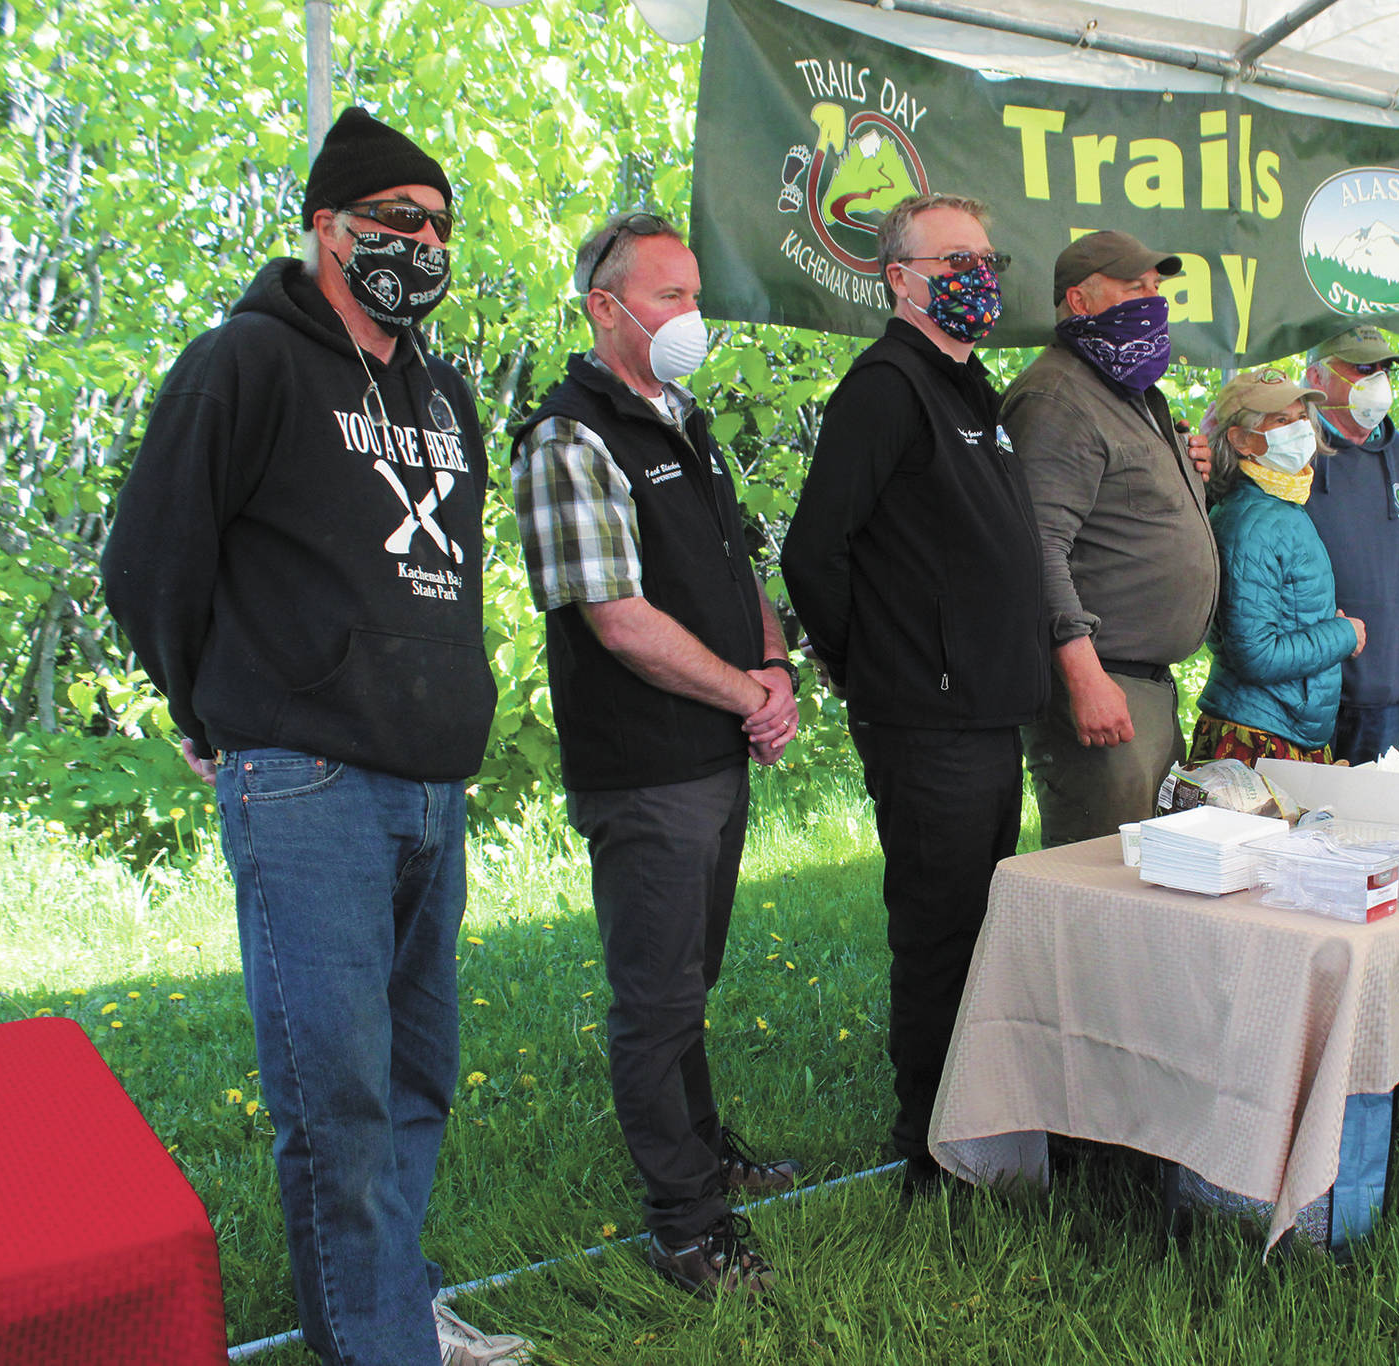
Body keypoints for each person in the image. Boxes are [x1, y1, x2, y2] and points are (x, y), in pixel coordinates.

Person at [101, 107, 530, 1365]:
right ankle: (378, 1347)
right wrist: (213, 711)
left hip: (429, 785)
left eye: (439, 222)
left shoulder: (443, 389)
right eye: (396, 219)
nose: (422, 241)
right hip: (308, 784)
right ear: (325, 228)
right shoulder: (243, 362)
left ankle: (394, 1308)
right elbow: (148, 560)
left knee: (412, 1084)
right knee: (333, 1101)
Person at [509, 211, 800, 1300]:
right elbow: (617, 619)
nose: (690, 316)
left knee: (691, 979)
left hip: (714, 750)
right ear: (605, 307)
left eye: (692, 293)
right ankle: (685, 1222)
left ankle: (705, 1144)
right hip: (647, 766)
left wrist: (773, 679)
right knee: (656, 996)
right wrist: (745, 697)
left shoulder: (682, 418)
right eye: (669, 296)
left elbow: (739, 574)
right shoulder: (570, 437)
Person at [782, 193, 1048, 1198]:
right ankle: (928, 1149)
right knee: (937, 933)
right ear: (896, 277)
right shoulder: (885, 388)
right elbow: (815, 552)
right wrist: (871, 668)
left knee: (979, 924)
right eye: (951, 260)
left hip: (984, 714)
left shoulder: (969, 388)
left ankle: (975, 1120)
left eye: (986, 256)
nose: (975, 273)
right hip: (927, 719)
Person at [1003, 230, 1219, 845]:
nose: (1153, 301)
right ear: (1080, 300)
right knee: (1102, 881)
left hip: (1143, 687)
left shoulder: (1129, 392)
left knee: (1149, 884)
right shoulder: (1056, 397)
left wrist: (1190, 471)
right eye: (1134, 289)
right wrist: (1084, 677)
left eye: (1156, 289)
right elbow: (1038, 547)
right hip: (1101, 683)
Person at [1190, 368, 1362, 764]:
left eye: (1301, 416)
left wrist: (1323, 625)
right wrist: (1342, 635)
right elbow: (1256, 654)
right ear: (1241, 440)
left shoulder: (1276, 506)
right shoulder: (1256, 522)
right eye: (1280, 420)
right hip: (1260, 736)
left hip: (1279, 724)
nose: (1300, 428)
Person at [1300, 324, 1399, 764]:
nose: (1377, 380)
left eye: (1383, 369)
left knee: (1374, 827)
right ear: (1317, 376)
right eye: (1362, 368)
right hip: (1304, 691)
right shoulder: (1290, 448)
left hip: (1385, 695)